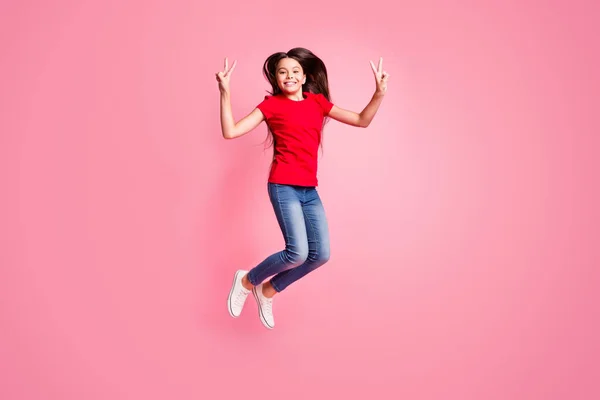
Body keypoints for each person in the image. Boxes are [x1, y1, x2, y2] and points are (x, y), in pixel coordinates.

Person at [217, 47, 389, 329]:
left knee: (320, 254)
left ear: (305, 76)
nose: (289, 76)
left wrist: (379, 94)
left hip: (309, 190)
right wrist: (225, 92)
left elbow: (362, 120)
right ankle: (247, 280)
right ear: (276, 77)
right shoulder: (270, 106)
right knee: (296, 252)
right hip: (283, 186)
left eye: (295, 71)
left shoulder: (317, 102)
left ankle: (268, 290)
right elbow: (230, 131)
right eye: (282, 72)